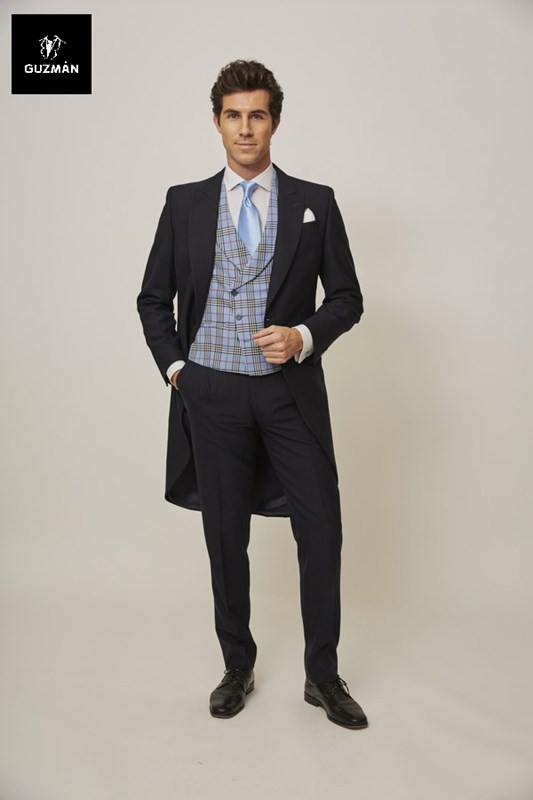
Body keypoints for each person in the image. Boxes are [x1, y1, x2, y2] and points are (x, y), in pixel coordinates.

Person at [137, 59, 368, 729]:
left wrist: (303, 335)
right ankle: (237, 664)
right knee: (224, 534)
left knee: (320, 527)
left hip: (286, 395)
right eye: (233, 116)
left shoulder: (315, 202)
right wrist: (178, 370)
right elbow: (153, 298)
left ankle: (321, 675)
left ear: (274, 122)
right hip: (210, 392)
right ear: (217, 123)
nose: (245, 128)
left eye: (256, 115)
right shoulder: (184, 203)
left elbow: (347, 298)